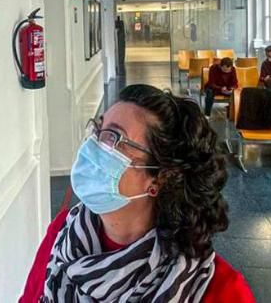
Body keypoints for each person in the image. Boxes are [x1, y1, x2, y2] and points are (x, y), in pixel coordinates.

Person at [20, 85, 254, 302]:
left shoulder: (222, 291)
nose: (93, 145)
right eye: (99, 130)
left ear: (161, 177)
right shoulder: (63, 232)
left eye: (114, 137)